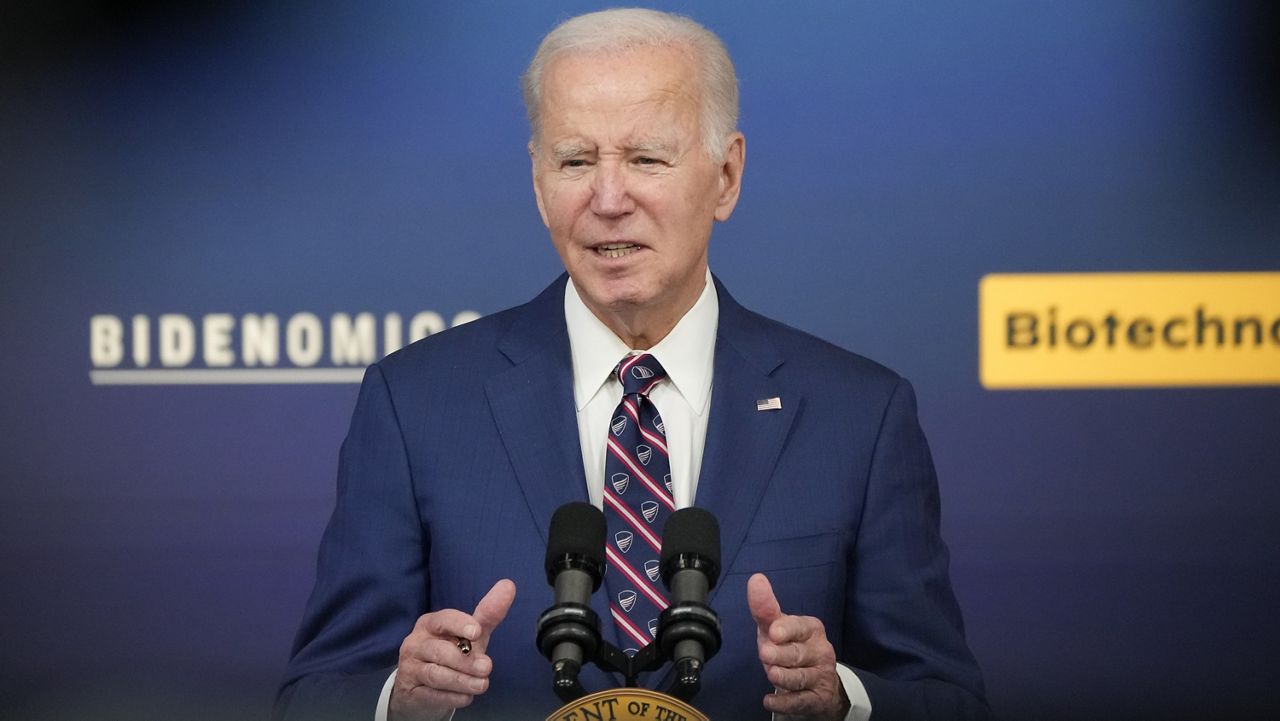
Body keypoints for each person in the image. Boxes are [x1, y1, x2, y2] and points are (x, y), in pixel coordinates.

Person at [277, 8, 988, 721]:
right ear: (537, 181)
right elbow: (314, 695)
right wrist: (399, 700)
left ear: (727, 176)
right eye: (575, 161)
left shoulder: (857, 414)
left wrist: (843, 699)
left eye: (647, 158)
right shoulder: (415, 404)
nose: (608, 200)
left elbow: (947, 698)